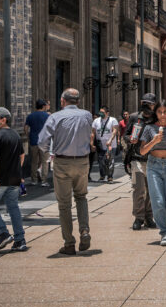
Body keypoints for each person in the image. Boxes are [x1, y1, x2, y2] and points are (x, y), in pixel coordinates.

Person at [37, 88, 93, 256]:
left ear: (62, 101)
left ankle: (69, 243)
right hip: (82, 161)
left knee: (64, 204)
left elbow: (42, 141)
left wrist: (49, 152)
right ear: (78, 101)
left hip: (62, 162)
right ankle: (84, 230)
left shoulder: (55, 117)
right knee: (81, 197)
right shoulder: (87, 115)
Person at [0, 107, 28, 252]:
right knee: (13, 207)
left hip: (0, 178)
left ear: (3, 120)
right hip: (14, 178)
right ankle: (20, 240)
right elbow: (22, 155)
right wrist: (17, 171)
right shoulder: (15, 135)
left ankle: (3, 233)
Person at [136, 100, 166, 246]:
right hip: (153, 166)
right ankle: (164, 232)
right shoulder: (149, 128)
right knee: (158, 201)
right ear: (155, 113)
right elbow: (142, 151)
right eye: (159, 112)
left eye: (165, 112)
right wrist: (154, 141)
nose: (162, 115)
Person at [125, 94, 158, 230]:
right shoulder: (134, 117)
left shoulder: (157, 119)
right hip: (136, 158)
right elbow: (125, 135)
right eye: (145, 103)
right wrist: (130, 139)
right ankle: (138, 217)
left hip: (153, 159)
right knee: (138, 189)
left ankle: (148, 216)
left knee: (151, 190)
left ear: (154, 105)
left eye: (149, 104)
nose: (147, 106)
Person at [24, 99, 51, 186]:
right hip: (44, 142)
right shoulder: (47, 116)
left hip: (34, 141)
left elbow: (26, 128)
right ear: (43, 106)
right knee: (44, 162)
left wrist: (28, 136)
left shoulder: (30, 116)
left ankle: (34, 180)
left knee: (34, 162)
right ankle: (44, 181)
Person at [91, 106, 119, 183]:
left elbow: (115, 131)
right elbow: (93, 133)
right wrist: (91, 143)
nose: (101, 114)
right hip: (100, 144)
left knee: (110, 160)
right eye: (100, 112)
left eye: (102, 112)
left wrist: (110, 140)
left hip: (111, 145)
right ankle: (102, 175)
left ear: (107, 113)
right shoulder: (96, 121)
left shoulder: (113, 120)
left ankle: (110, 177)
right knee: (101, 161)